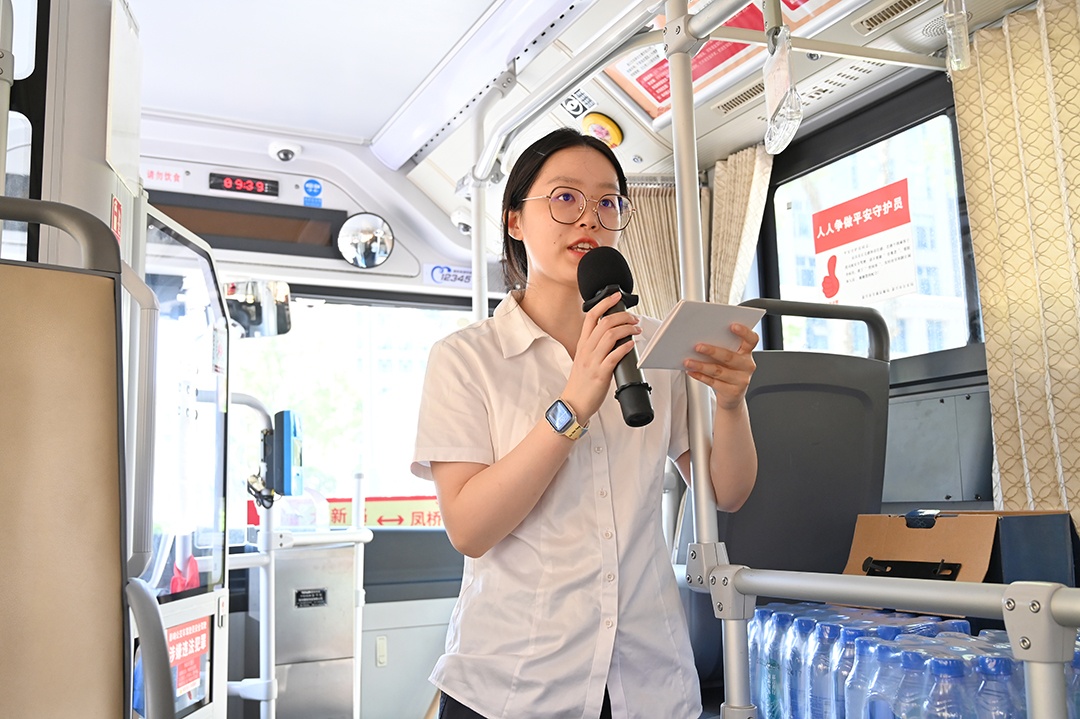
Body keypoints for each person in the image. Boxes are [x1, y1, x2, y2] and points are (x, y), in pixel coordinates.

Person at [411, 127, 759, 719]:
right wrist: (572, 406)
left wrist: (731, 404)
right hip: (515, 686)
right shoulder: (465, 358)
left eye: (607, 202)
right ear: (514, 220)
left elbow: (726, 491)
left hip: (648, 682)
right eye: (565, 198)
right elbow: (469, 528)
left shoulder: (654, 344)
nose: (589, 218)